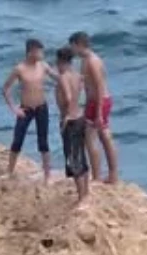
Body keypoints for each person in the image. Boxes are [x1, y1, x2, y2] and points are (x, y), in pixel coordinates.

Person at [69, 32, 119, 184]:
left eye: (72, 46)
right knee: (104, 136)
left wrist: (97, 113)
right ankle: (112, 175)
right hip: (97, 101)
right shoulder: (86, 60)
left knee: (91, 137)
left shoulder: (91, 61)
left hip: (99, 102)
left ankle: (98, 176)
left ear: (79, 44)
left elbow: (98, 86)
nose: (72, 50)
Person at [2, 38, 53, 182]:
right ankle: (9, 172)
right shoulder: (20, 69)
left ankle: (47, 175)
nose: (42, 54)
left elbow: (58, 78)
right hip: (25, 109)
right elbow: (5, 89)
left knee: (43, 141)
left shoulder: (43, 66)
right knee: (17, 140)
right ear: (31, 52)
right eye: (39, 51)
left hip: (42, 107)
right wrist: (14, 109)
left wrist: (74, 79)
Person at [54, 46, 90, 206]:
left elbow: (68, 98)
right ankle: (86, 192)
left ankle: (82, 198)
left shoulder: (64, 77)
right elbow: (81, 95)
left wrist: (67, 116)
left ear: (60, 61)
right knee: (81, 155)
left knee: (73, 159)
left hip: (71, 121)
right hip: (81, 117)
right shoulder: (77, 76)